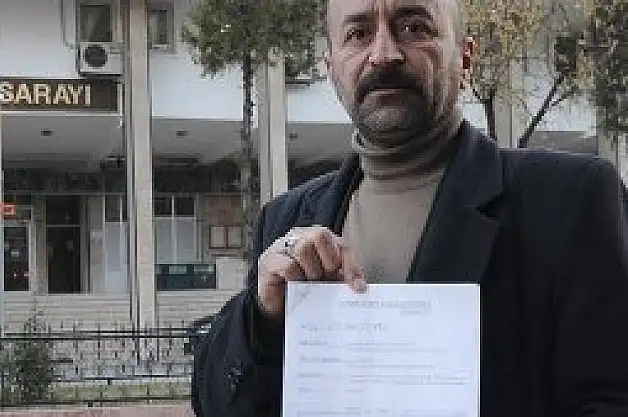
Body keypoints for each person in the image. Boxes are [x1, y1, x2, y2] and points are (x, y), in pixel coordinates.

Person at [190, 0, 628, 415]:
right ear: (331, 69)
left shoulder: (570, 199)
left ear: (465, 59)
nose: (384, 54)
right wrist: (261, 320)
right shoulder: (286, 220)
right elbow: (218, 405)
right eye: (358, 33)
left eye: (414, 27)